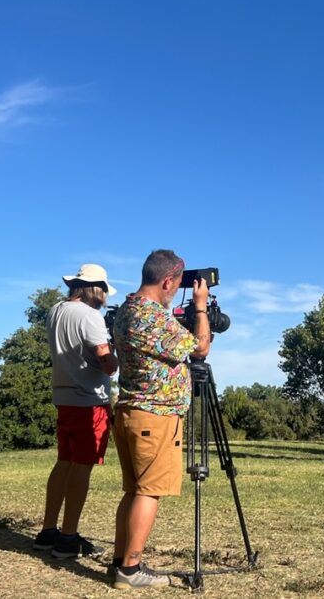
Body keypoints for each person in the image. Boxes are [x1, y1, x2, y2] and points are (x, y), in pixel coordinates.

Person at [109, 250, 211, 589]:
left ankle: (121, 560)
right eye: (176, 286)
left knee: (134, 490)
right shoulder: (151, 316)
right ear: (167, 281)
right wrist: (200, 306)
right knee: (148, 492)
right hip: (156, 415)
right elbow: (200, 347)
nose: (175, 293)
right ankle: (131, 569)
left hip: (130, 411)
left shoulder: (126, 310)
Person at [32, 264, 120, 560]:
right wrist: (116, 355)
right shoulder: (91, 317)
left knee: (64, 462)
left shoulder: (56, 310)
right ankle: (68, 537)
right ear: (97, 289)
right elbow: (107, 363)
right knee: (82, 466)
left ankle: (48, 530)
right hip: (89, 400)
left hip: (64, 395)